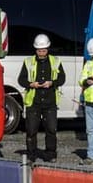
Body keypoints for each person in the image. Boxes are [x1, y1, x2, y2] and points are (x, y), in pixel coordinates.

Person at [17, 34, 64, 162]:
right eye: (39, 50)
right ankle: (31, 155)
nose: (41, 53)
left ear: (48, 49)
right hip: (34, 101)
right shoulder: (28, 61)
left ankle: (50, 155)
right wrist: (31, 84)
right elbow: (21, 79)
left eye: (43, 50)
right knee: (31, 130)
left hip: (50, 102)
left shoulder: (56, 61)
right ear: (35, 50)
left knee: (51, 130)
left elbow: (62, 78)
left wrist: (52, 83)